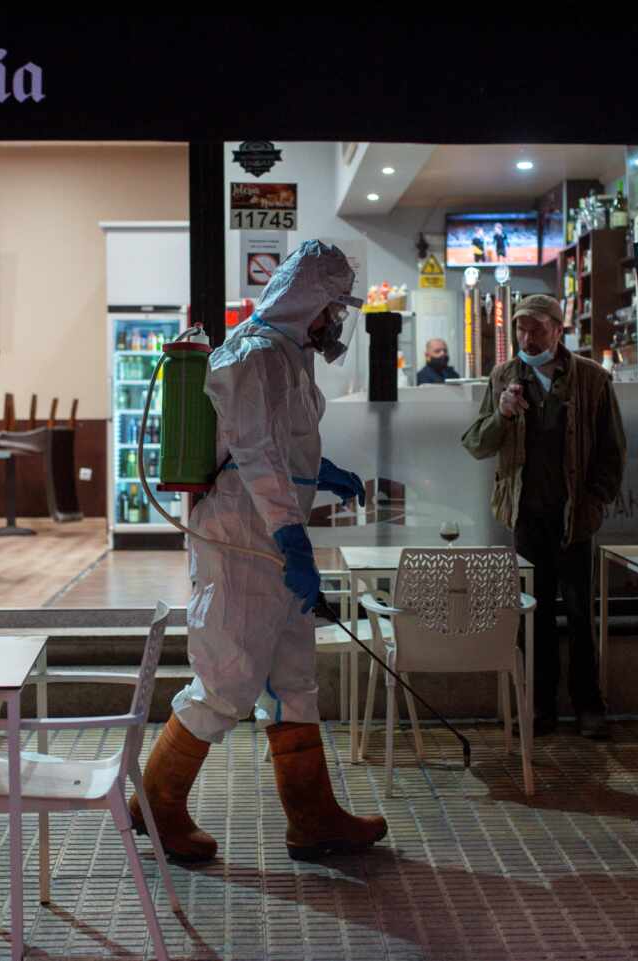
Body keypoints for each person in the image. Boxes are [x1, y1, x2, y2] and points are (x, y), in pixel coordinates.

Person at [132, 240, 387, 863]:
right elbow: (253, 454)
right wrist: (291, 536)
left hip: (273, 544)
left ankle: (313, 818)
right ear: (309, 302)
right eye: (331, 307)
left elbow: (283, 447)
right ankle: (155, 802)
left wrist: (322, 471)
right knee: (226, 680)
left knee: (295, 683)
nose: (335, 321)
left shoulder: (290, 359)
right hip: (243, 545)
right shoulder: (251, 355)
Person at [461, 293, 625, 739]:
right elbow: (476, 443)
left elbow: (613, 451)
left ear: (558, 329)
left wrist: (594, 503)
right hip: (526, 515)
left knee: (578, 612)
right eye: (520, 329)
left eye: (535, 329)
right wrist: (502, 414)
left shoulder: (591, 379)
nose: (526, 338)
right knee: (532, 615)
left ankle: (589, 707)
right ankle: (540, 707)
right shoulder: (503, 378)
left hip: (574, 517)